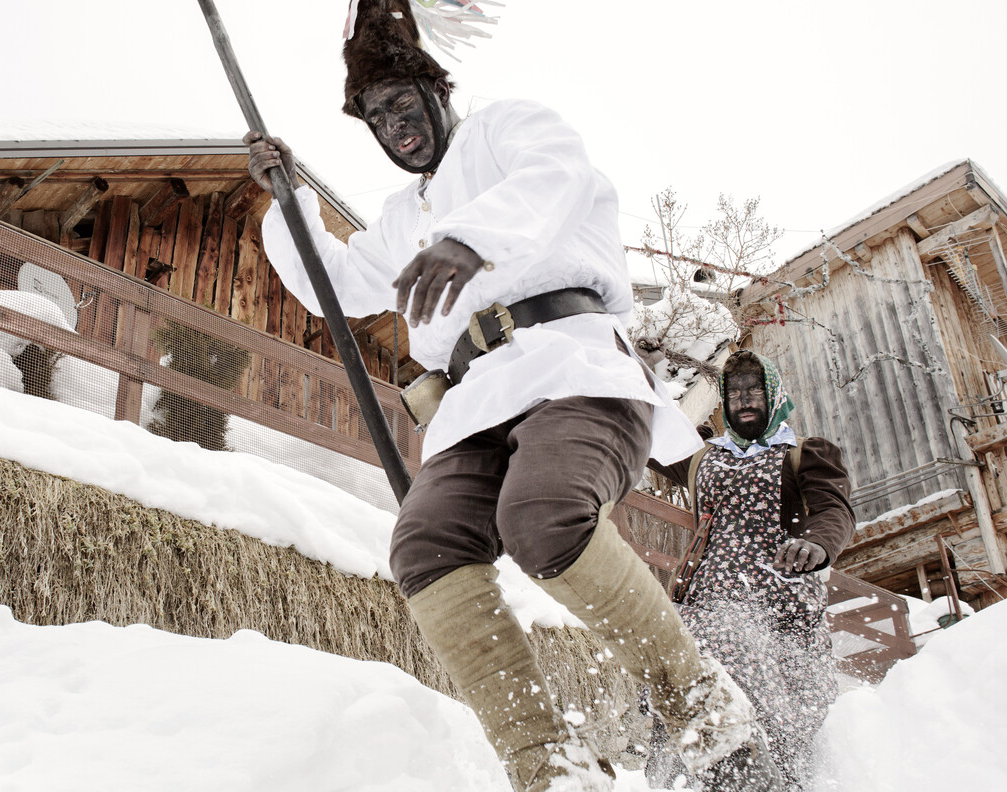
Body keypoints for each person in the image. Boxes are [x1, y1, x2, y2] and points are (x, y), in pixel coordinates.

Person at [243, 3, 779, 790]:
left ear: (437, 92)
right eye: (376, 117)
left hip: (573, 369)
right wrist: (287, 203)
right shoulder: (400, 219)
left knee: (541, 515)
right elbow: (343, 286)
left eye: (402, 104)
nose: (395, 127)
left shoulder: (509, 131)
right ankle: (546, 762)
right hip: (473, 402)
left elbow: (555, 177)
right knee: (425, 545)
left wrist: (472, 241)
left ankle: (700, 705)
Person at [647, 350, 855, 790]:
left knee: (784, 720)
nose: (744, 401)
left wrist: (816, 543)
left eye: (754, 392)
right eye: (735, 393)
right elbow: (651, 433)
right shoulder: (704, 457)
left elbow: (834, 510)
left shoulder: (803, 455)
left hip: (782, 613)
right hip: (706, 606)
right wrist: (632, 378)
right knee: (685, 699)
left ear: (773, 395)